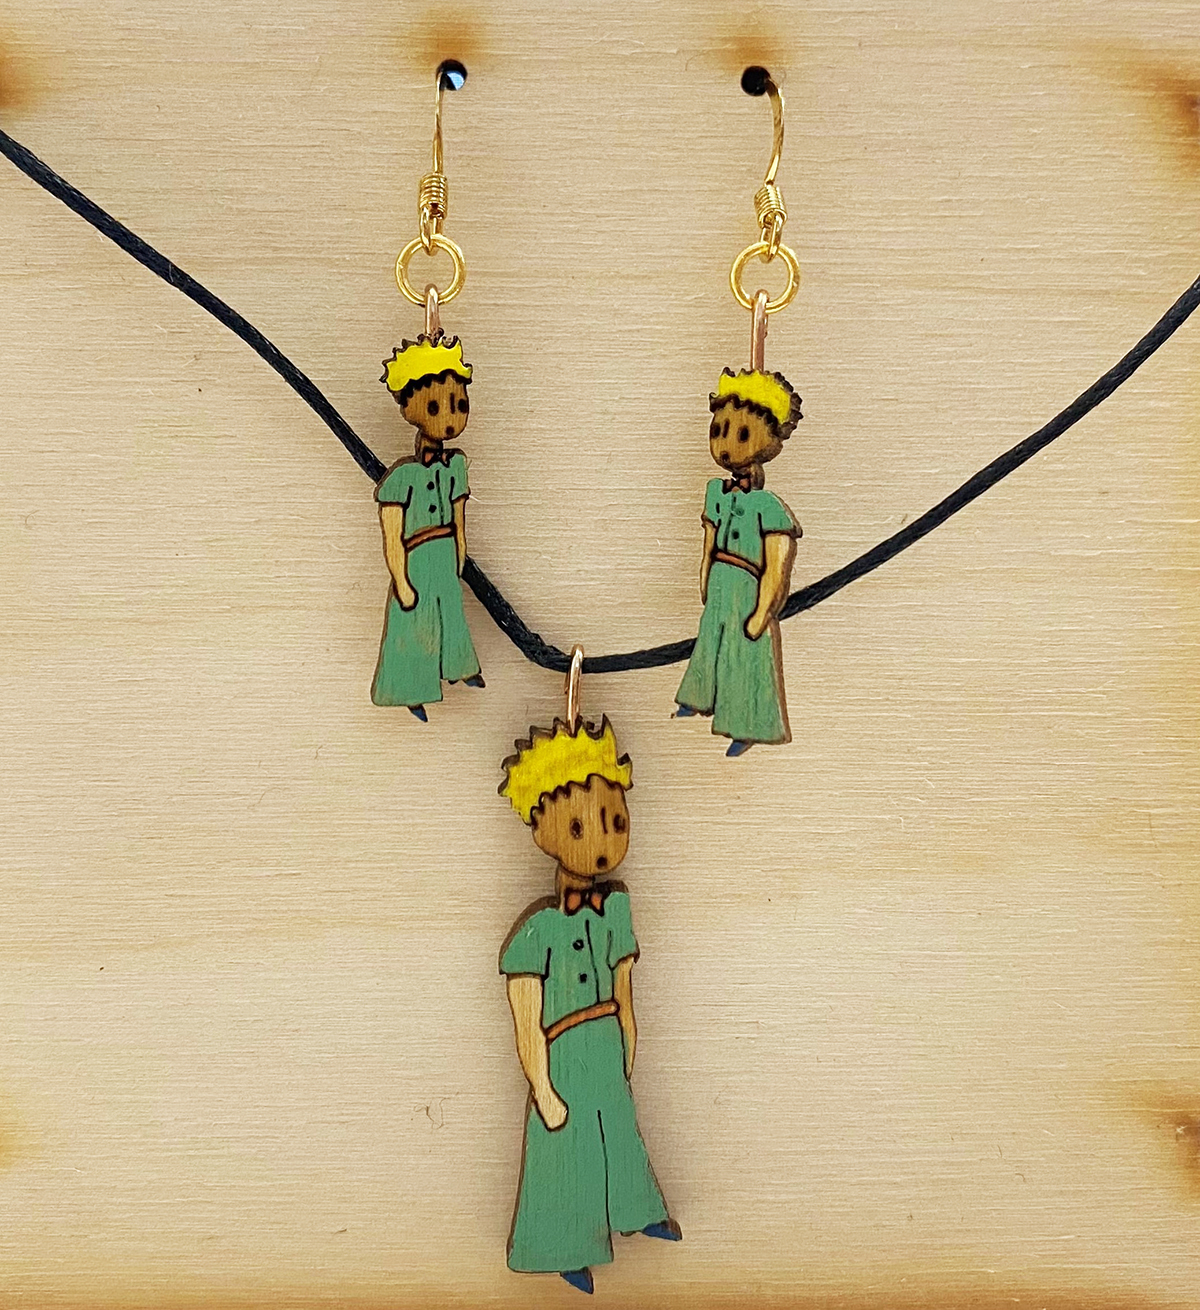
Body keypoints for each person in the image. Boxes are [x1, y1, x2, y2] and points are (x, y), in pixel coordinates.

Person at [498, 717, 681, 1294]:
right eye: (579, 826)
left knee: (620, 1133)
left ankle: (637, 1210)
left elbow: (625, 990)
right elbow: (526, 1019)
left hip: (606, 1044)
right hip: (562, 1054)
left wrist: (628, 1046)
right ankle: (561, 1246)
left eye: (615, 821)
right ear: (541, 828)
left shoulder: (616, 912)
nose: (602, 844)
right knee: (563, 1148)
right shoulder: (536, 933)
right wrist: (542, 1087)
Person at [674, 366, 803, 755]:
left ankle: (748, 725)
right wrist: (703, 574)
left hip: (748, 585)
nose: (726, 446)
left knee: (747, 652)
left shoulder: (768, 506)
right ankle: (699, 696)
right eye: (719, 431)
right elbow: (709, 541)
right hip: (720, 579)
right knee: (710, 639)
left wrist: (765, 609)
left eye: (742, 434)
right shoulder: (716, 492)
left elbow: (777, 563)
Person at [371, 333, 484, 717]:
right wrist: (401, 580)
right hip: (415, 559)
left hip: (445, 553)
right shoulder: (401, 479)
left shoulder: (456, 466)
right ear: (410, 408)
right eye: (435, 407)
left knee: (451, 614)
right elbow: (392, 535)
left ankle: (460, 667)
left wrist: (460, 557)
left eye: (459, 404)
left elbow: (459, 519)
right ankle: (409, 689)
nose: (450, 419)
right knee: (412, 622)